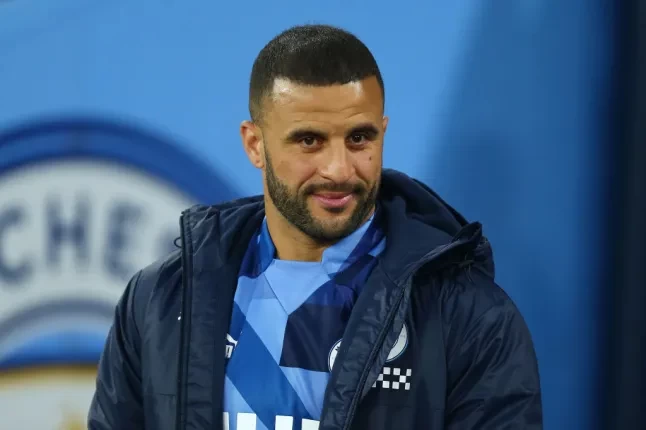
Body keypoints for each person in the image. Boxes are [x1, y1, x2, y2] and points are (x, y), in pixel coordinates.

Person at [88, 24, 542, 430]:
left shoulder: (470, 318)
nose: (339, 169)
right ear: (255, 144)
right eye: (309, 140)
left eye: (359, 138)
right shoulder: (159, 300)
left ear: (383, 132)